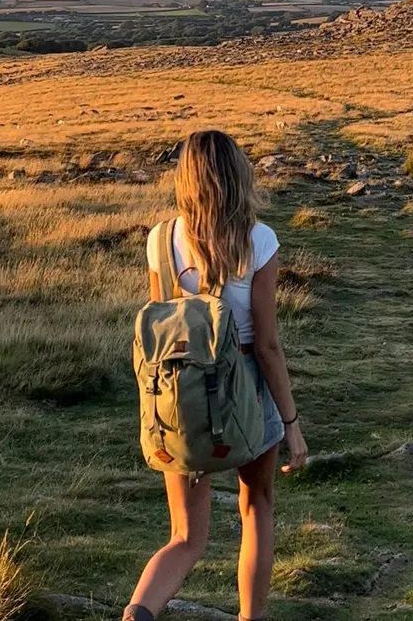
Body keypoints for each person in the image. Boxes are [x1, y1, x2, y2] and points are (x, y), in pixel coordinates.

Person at [124, 130, 308, 621]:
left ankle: (136, 613)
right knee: (257, 509)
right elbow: (268, 346)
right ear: (236, 174)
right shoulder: (258, 239)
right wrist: (290, 423)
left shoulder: (160, 240)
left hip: (180, 395)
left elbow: (162, 327)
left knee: (185, 537)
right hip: (246, 384)